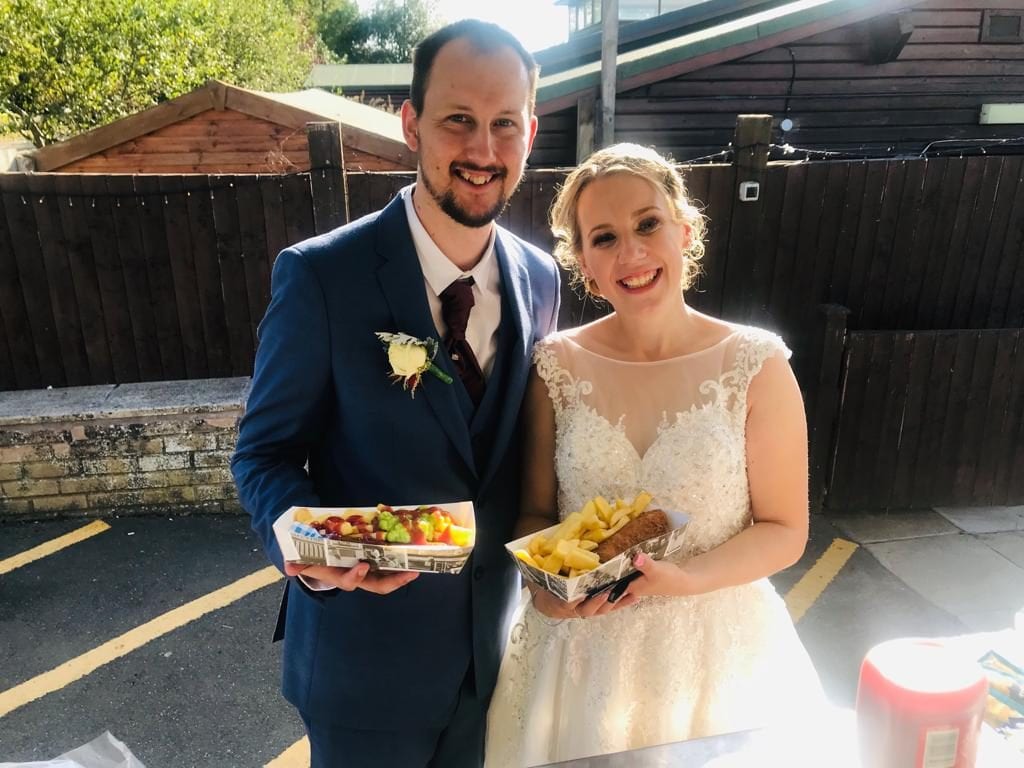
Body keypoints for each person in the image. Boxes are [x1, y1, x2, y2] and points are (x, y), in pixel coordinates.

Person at [230, 20, 560, 768]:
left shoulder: (541, 278)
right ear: (411, 124)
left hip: (495, 659)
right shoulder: (322, 278)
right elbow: (264, 454)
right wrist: (303, 547)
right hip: (363, 674)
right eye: (458, 121)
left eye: (504, 123)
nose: (482, 150)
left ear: (530, 132)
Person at [484, 143, 823, 767]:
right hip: (578, 657)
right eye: (604, 238)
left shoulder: (756, 364)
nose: (632, 254)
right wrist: (542, 589)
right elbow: (534, 513)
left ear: (684, 230)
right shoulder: (555, 366)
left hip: (718, 655)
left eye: (648, 224)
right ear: (584, 262)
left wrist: (684, 580)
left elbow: (785, 530)